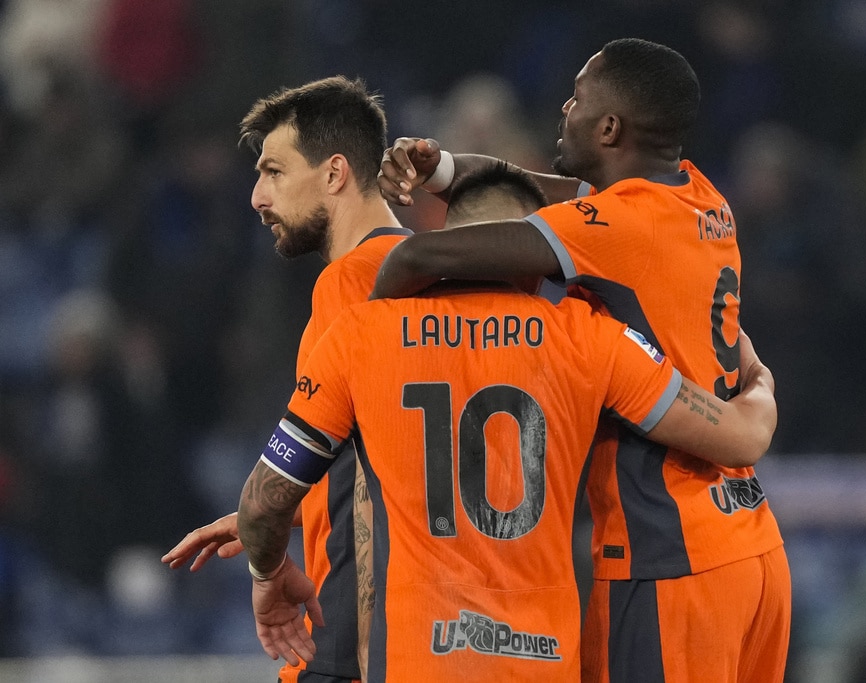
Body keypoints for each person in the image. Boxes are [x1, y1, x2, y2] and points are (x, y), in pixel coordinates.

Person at [237, 165, 779, 682]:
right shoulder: (590, 337)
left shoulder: (360, 332)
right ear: (531, 257)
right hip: (542, 660)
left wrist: (268, 572)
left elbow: (264, 503)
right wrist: (757, 383)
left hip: (417, 660)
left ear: (450, 239)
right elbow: (738, 437)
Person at [374, 38, 790, 682]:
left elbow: (421, 257)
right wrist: (445, 169)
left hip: (667, 555)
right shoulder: (702, 198)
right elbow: (549, 191)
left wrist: (377, 335)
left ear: (609, 126)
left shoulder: (615, 229)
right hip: (751, 550)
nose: (563, 108)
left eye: (576, 97)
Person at [161, 75, 413, 683]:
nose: (256, 196)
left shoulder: (352, 284)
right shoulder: (437, 284)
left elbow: (270, 491)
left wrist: (267, 559)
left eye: (274, 171)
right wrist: (299, 507)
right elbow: (401, 457)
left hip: (352, 628)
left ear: (334, 174)